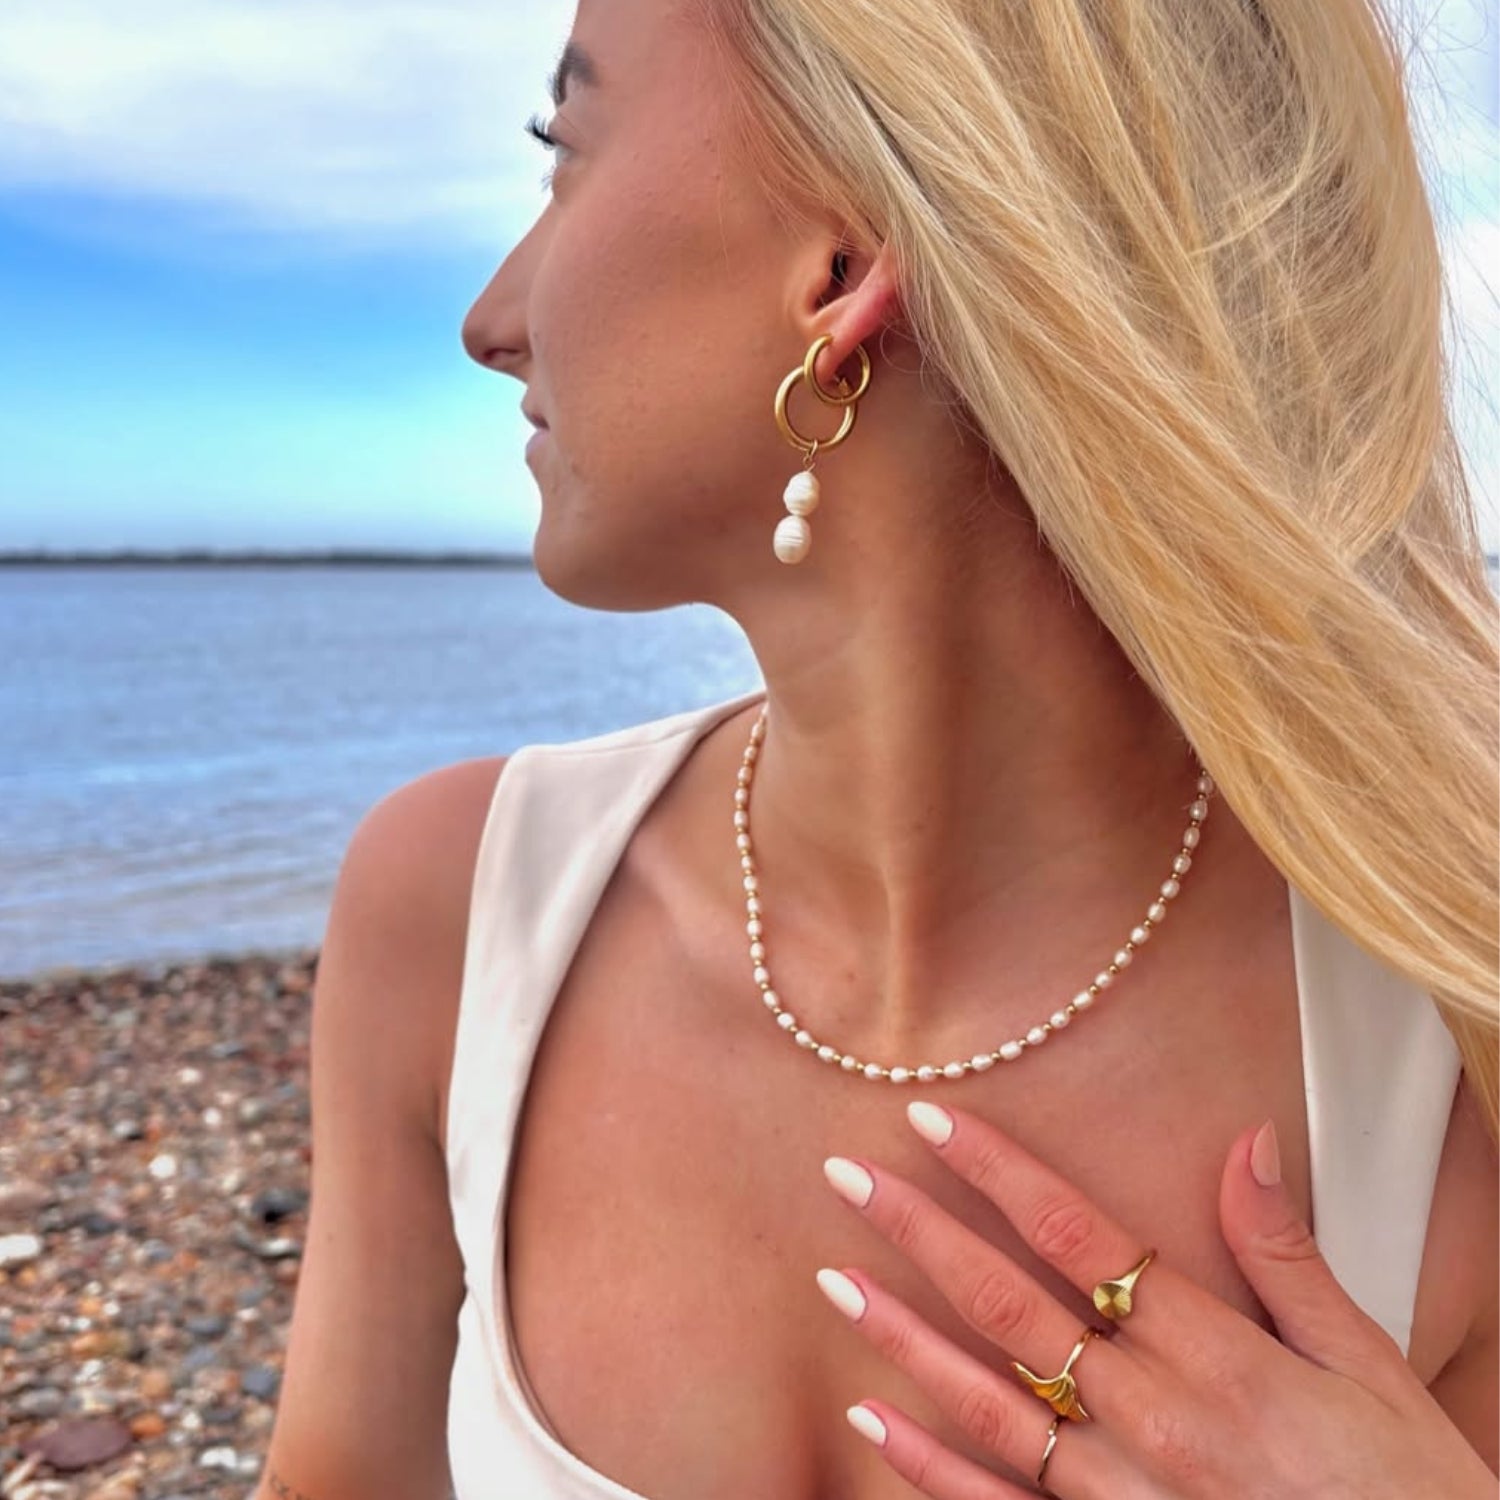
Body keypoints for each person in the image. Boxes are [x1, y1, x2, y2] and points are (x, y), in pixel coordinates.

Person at [254, 0, 1499, 1495]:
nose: (489, 318)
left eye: (563, 153)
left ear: (842, 273)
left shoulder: (1451, 1010)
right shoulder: (457, 914)